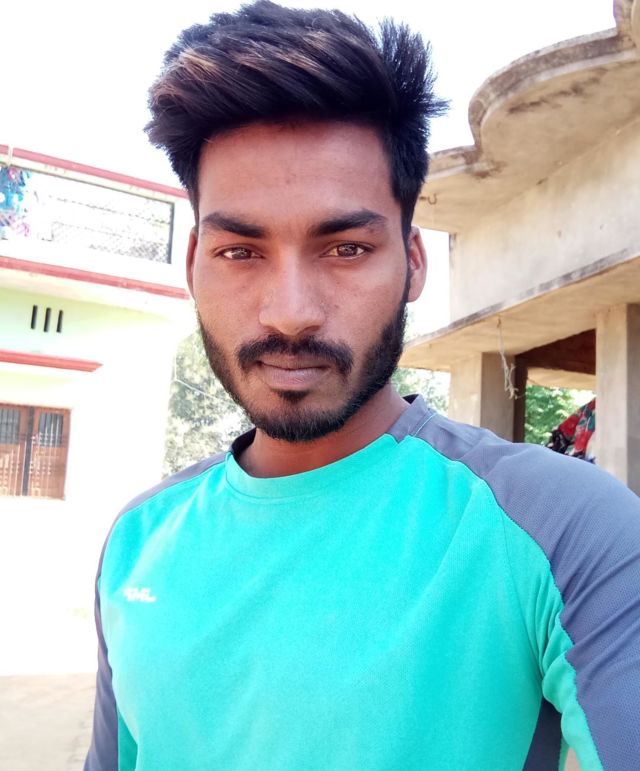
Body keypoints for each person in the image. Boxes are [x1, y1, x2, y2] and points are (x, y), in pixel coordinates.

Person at [84, 2, 640, 769]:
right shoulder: (137, 540)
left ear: (413, 264)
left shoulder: (567, 527)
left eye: (345, 247)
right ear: (193, 267)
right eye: (240, 252)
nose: (290, 312)